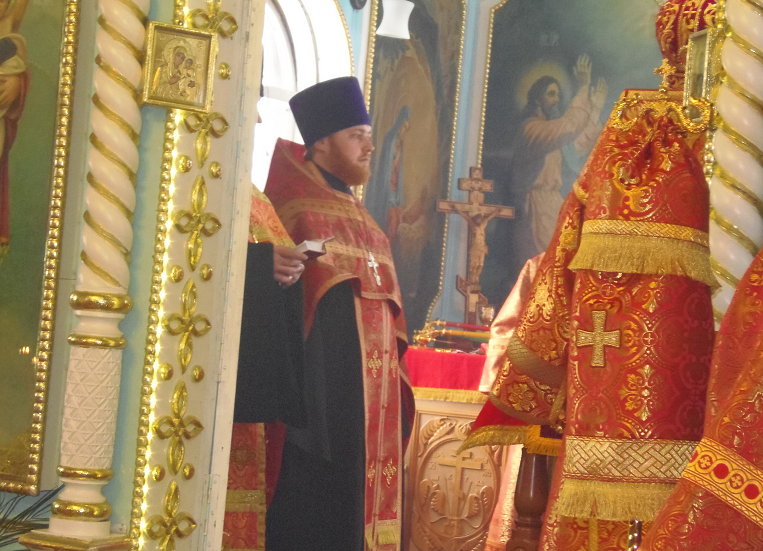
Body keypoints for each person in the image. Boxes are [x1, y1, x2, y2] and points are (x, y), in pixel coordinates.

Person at [261, 76, 414, 551]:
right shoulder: (293, 210)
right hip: (318, 412)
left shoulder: (364, 218)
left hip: (370, 411)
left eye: (369, 136)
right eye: (356, 136)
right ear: (322, 142)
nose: (369, 147)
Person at [510, 55, 607, 256]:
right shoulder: (532, 130)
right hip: (536, 208)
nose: (556, 100)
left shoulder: (551, 134)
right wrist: (583, 88)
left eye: (558, 95)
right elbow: (569, 127)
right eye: (551, 94)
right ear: (537, 99)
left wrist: (595, 109)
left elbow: (578, 144)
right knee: (547, 264)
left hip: (553, 204)